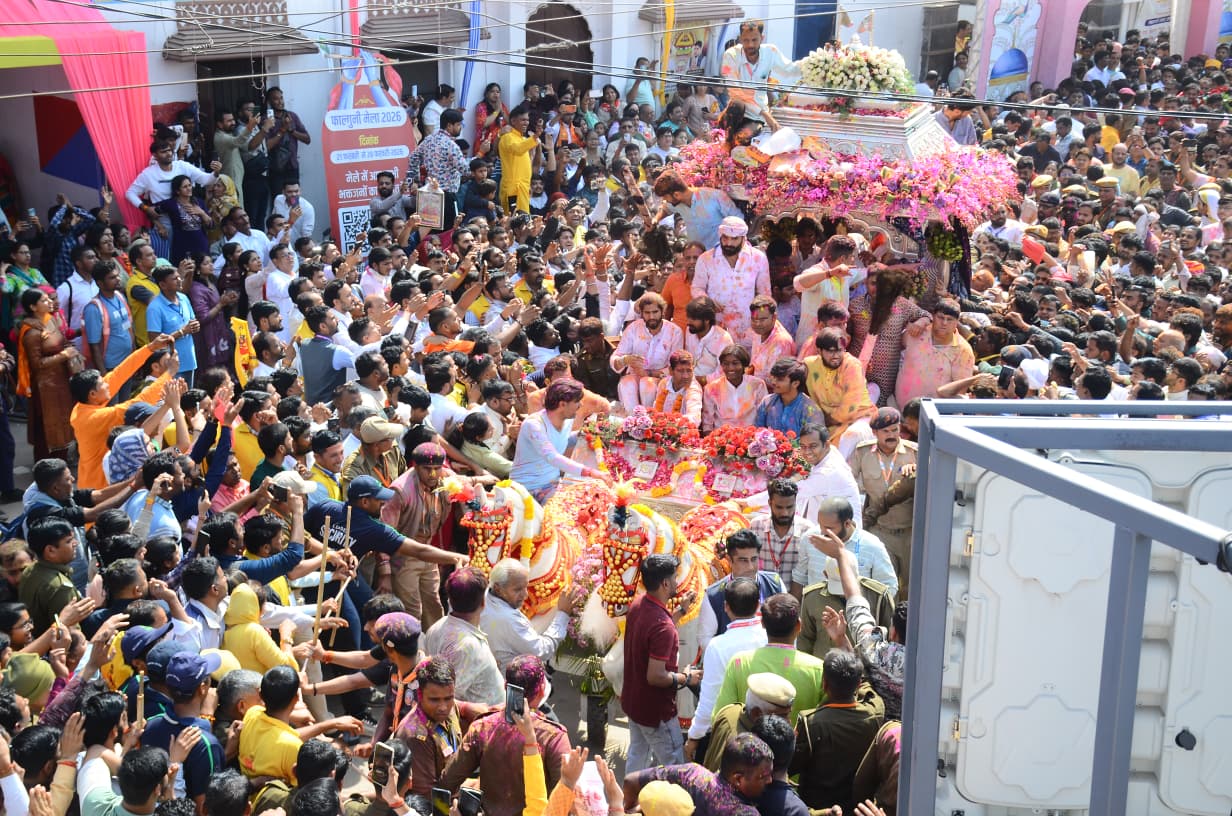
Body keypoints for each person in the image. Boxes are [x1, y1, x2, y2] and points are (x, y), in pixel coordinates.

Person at [439, 655, 571, 816]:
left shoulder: (483, 727)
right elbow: (565, 796)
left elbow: (447, 782)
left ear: (505, 686)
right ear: (542, 690)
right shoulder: (554, 736)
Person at [813, 529, 907, 719]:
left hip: (881, 736)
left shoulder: (879, 652)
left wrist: (840, 556)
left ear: (894, 632)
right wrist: (841, 640)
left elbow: (856, 600)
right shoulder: (936, 663)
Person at [622, 553, 699, 774]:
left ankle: (628, 803)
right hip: (656, 713)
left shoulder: (639, 604)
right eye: (674, 578)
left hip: (634, 703)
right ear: (665, 583)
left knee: (638, 756)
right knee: (677, 765)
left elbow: (657, 632)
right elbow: (655, 676)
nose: (676, 582)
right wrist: (686, 678)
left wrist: (681, 611)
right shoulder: (662, 626)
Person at [791, 649, 885, 814]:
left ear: (824, 684)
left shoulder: (810, 723)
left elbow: (791, 765)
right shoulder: (874, 715)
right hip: (859, 809)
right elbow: (870, 692)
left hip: (820, 809)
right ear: (857, 685)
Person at [685, 577, 767, 760]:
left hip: (729, 735)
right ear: (758, 605)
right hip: (766, 729)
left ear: (726, 607)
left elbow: (709, 699)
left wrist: (694, 737)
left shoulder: (717, 646)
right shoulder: (768, 638)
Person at [713, 593, 825, 724]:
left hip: (747, 743)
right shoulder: (818, 669)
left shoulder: (739, 662)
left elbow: (721, 717)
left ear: (762, 623)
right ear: (799, 625)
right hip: (798, 745)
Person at [380, 442, 455, 628]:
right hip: (404, 557)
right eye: (427, 469)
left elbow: (469, 486)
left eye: (437, 469)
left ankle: (436, 652)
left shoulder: (446, 481)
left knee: (434, 607)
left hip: (428, 553)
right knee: (411, 612)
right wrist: (385, 572)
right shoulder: (400, 490)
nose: (432, 475)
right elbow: (384, 533)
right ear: (415, 466)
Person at [848, 408, 917, 594]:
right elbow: (848, 484)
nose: (891, 435)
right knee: (884, 589)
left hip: (911, 534)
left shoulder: (915, 453)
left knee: (910, 590)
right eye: (886, 431)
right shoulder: (862, 453)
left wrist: (918, 471)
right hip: (880, 532)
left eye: (895, 430)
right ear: (875, 432)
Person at [623, 733, 773, 816]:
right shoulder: (745, 813)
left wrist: (633, 810)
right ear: (738, 779)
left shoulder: (691, 773)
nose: (770, 780)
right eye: (763, 776)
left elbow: (630, 781)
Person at [508, 380, 608, 502]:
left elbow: (561, 441)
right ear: (562, 404)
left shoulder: (567, 419)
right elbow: (552, 456)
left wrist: (582, 434)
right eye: (577, 401)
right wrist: (591, 472)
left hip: (551, 485)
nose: (581, 405)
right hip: (526, 489)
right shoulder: (534, 425)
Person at [480, 557, 584, 673]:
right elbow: (542, 651)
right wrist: (562, 614)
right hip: (512, 685)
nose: (525, 595)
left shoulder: (483, 596)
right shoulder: (509, 619)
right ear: (498, 589)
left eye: (526, 587)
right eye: (517, 590)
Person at [423, 567, 504, 706]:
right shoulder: (467, 647)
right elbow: (446, 699)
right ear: (483, 603)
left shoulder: (436, 628)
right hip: (481, 723)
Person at [17, 288, 82, 459]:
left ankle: (62, 460)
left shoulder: (50, 320)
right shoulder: (31, 332)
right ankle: (48, 465)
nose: (50, 302)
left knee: (64, 422)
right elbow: (37, 364)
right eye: (44, 301)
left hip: (61, 380)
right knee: (48, 425)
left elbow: (62, 341)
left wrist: (69, 349)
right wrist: (63, 356)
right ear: (33, 307)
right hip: (45, 386)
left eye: (49, 299)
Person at [698, 530, 785, 652]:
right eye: (743, 560)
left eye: (754, 559)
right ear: (729, 559)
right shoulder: (714, 595)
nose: (750, 567)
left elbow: (787, 627)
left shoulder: (775, 583)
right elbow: (705, 638)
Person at [691, 217, 771, 346]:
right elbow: (696, 288)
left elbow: (765, 295)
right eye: (725, 238)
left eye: (734, 239)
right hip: (716, 328)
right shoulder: (706, 259)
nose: (728, 243)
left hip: (748, 329)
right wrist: (708, 302)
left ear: (743, 239)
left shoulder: (758, 258)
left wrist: (758, 323)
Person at [721, 20, 801, 128]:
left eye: (754, 40)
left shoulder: (770, 52)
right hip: (739, 113)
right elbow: (736, 93)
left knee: (749, 138)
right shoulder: (731, 55)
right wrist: (765, 114)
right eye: (746, 40)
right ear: (740, 39)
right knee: (736, 105)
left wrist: (816, 63)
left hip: (758, 117)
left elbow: (789, 69)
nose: (750, 45)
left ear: (762, 38)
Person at [894, 299, 975, 406]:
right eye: (940, 317)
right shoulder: (917, 333)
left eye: (949, 319)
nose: (944, 323)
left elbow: (959, 390)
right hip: (898, 407)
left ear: (957, 322)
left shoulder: (963, 351)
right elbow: (894, 348)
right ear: (933, 316)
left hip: (931, 415)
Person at [613, 293, 685, 408]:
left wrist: (649, 373)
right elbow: (617, 356)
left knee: (647, 384)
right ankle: (632, 422)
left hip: (660, 378)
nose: (651, 317)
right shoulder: (633, 328)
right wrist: (625, 360)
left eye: (655, 312)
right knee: (627, 383)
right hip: (634, 375)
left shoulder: (674, 332)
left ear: (663, 312)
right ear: (641, 313)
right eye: (647, 313)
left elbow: (676, 365)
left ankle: (650, 421)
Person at [749, 478, 817, 588]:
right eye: (779, 507)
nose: (785, 513)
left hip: (795, 600)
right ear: (770, 503)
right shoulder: (756, 526)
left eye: (789, 507)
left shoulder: (808, 531)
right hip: (763, 597)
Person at [651, 171, 742, 249]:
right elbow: (666, 209)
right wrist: (656, 219)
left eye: (665, 197)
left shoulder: (715, 197)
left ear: (676, 195)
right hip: (696, 258)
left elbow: (739, 222)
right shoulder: (676, 203)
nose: (665, 200)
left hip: (721, 257)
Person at [701, 345, 766, 434]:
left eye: (735, 363)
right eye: (726, 364)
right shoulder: (712, 388)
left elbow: (763, 415)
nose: (730, 368)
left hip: (751, 439)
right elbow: (707, 423)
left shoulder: (757, 385)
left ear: (744, 365)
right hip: (722, 440)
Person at [755, 359, 823, 437]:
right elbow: (758, 432)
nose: (773, 382)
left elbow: (814, 442)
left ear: (795, 383)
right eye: (773, 377)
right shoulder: (767, 402)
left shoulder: (810, 410)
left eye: (780, 380)